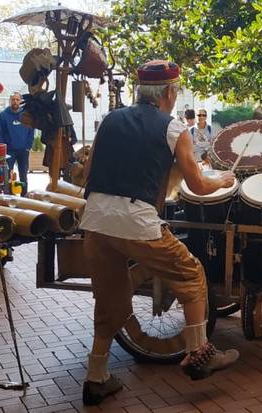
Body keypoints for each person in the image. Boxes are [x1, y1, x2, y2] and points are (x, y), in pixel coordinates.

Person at [80, 60, 239, 406]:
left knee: (109, 300)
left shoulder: (110, 119)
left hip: (94, 219)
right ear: (169, 92)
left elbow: (88, 173)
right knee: (191, 273)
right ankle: (199, 355)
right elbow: (197, 184)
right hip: (135, 221)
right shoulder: (174, 129)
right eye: (176, 89)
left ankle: (95, 378)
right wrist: (224, 180)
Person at [0, 92, 34, 191]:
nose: (15, 102)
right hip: (9, 152)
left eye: (17, 100)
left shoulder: (26, 115)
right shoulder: (3, 115)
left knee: (23, 175)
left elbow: (31, 131)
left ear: (20, 101)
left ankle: (24, 196)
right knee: (8, 175)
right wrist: (3, 149)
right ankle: (10, 197)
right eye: (13, 100)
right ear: (10, 101)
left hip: (23, 151)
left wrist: (28, 146)